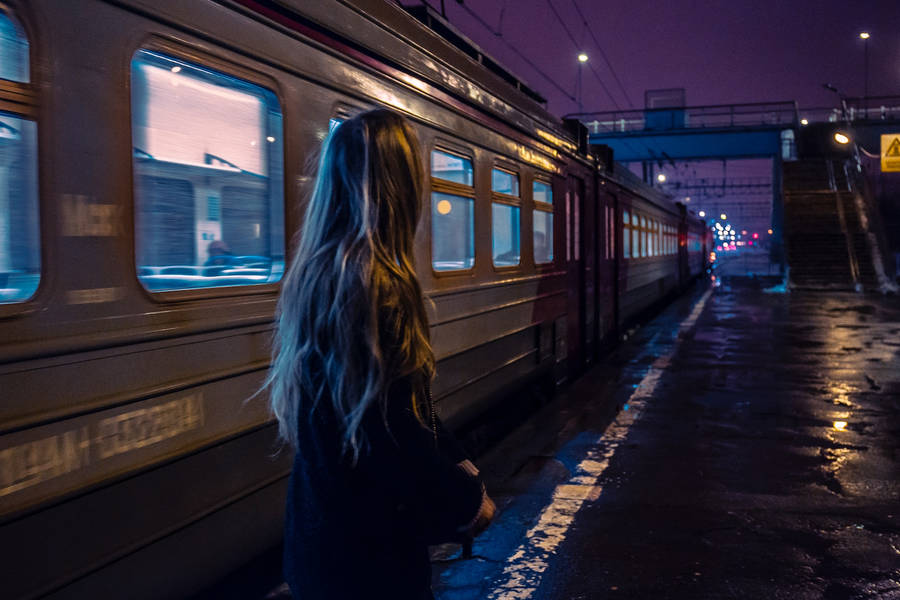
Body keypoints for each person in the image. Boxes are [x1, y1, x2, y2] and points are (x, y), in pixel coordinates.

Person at [266, 109, 495, 599]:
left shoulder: (314, 276)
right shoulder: (380, 287)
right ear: (401, 187)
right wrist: (468, 504)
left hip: (318, 542)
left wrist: (461, 472)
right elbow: (397, 435)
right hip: (370, 563)